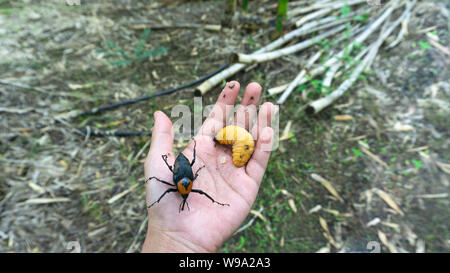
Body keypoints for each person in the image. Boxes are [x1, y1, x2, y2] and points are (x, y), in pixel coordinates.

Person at [142, 81, 275, 252]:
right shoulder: (186, 185)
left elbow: (177, 182)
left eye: (185, 195)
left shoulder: (183, 185)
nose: (185, 196)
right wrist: (173, 239)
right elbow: (181, 182)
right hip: (184, 167)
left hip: (183, 168)